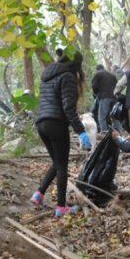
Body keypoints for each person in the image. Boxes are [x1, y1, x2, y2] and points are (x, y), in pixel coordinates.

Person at [30, 48, 92, 217]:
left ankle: (39, 194)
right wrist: (81, 132)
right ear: (76, 65)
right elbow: (68, 108)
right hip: (56, 124)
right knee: (62, 166)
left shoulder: (47, 77)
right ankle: (60, 207)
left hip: (42, 124)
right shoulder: (68, 77)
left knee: (57, 163)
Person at [90, 64, 118, 132]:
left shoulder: (97, 74)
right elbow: (117, 85)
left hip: (105, 97)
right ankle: (118, 133)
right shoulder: (112, 75)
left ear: (97, 69)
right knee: (115, 116)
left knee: (102, 117)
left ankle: (104, 134)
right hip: (114, 98)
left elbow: (94, 86)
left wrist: (96, 94)